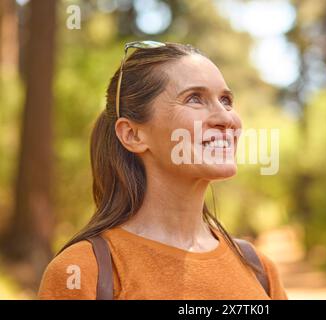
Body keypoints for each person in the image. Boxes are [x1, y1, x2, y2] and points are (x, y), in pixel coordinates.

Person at [38, 41, 288, 300]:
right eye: (194, 99)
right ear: (133, 134)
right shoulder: (81, 272)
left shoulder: (259, 270)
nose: (226, 119)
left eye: (226, 100)